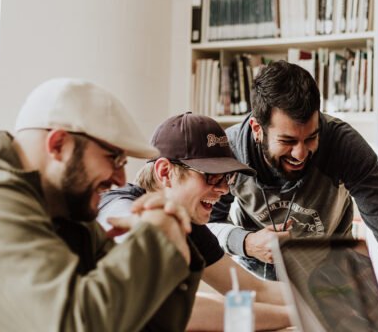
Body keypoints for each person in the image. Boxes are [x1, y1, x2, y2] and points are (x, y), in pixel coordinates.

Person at [0, 78, 201, 331]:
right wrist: (155, 239)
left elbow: (143, 323)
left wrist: (173, 241)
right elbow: (74, 324)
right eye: (113, 158)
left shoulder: (63, 210)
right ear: (58, 145)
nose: (121, 179)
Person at [207, 60, 378, 305]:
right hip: (258, 286)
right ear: (257, 129)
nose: (300, 153)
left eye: (311, 137)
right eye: (288, 141)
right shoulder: (228, 151)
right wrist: (246, 242)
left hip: (332, 282)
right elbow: (206, 227)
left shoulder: (343, 144)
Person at [97, 112, 291, 331]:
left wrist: (324, 298)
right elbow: (175, 308)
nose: (224, 190)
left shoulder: (188, 224)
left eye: (227, 178)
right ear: (165, 172)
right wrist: (294, 316)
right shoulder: (119, 206)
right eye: (212, 176)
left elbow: (253, 290)